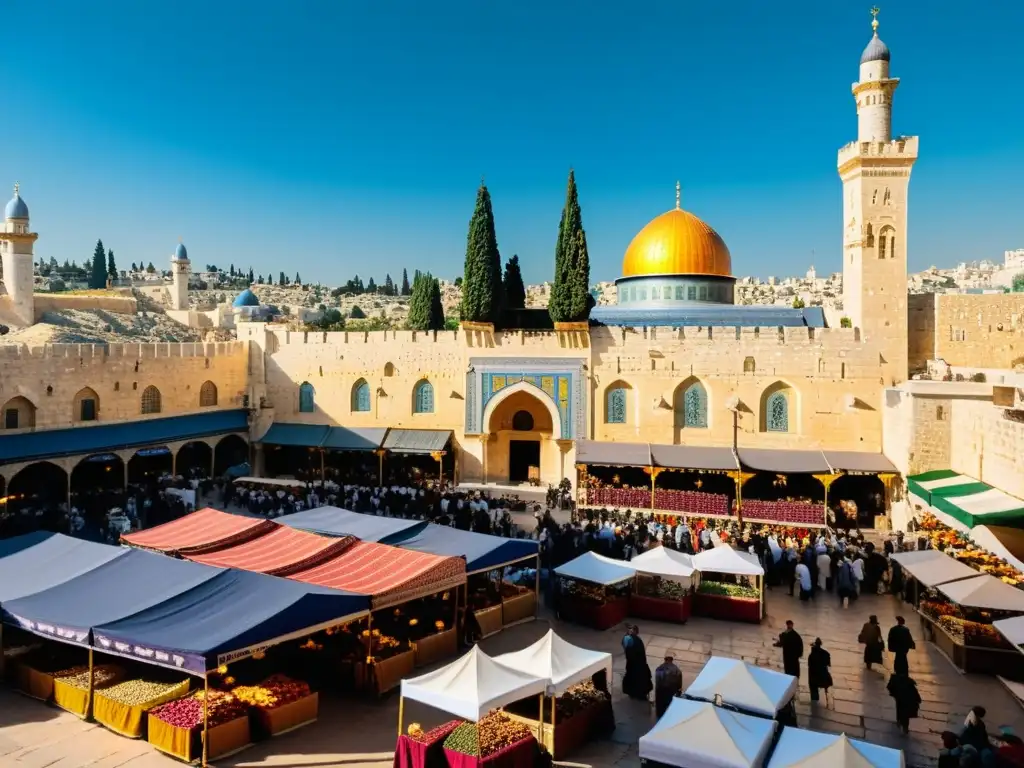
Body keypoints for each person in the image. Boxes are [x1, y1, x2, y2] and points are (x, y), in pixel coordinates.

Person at [622, 625, 653, 701]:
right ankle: (640, 694)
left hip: (633, 664)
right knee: (640, 679)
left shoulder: (629, 638)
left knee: (632, 677)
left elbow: (626, 649)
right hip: (638, 664)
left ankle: (633, 693)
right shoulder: (635, 640)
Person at [807, 638, 833, 705]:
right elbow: (829, 664)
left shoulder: (811, 655)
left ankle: (814, 698)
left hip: (814, 676)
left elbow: (809, 665)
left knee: (813, 685)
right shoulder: (826, 654)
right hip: (822, 676)